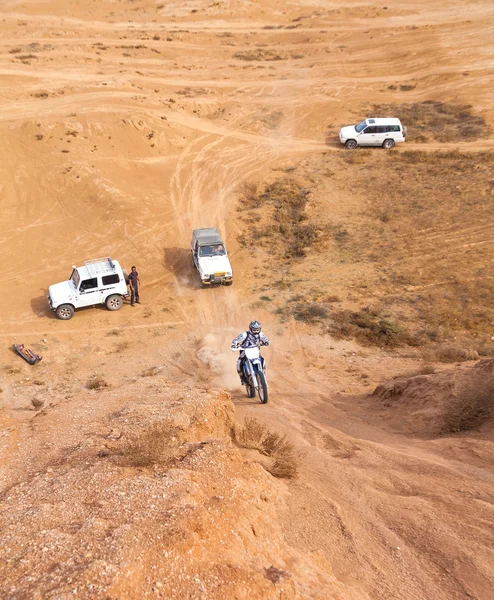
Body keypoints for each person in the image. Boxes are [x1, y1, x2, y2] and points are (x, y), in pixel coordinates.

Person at [231, 320, 270, 385]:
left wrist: (266, 342)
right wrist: (234, 346)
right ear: (251, 329)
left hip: (255, 350)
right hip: (245, 351)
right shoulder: (244, 334)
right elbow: (235, 340)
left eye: (257, 329)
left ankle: (263, 372)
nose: (256, 331)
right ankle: (242, 378)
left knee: (262, 359)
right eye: (254, 329)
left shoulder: (261, 334)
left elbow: (266, 340)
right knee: (239, 363)